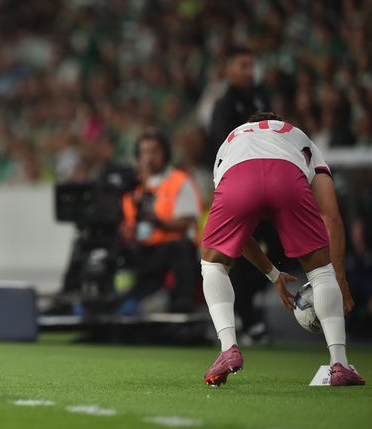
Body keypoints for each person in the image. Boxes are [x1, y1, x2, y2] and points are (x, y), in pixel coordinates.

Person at [201, 112, 364, 387]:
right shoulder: (298, 136)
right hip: (287, 177)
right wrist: (339, 277)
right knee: (321, 273)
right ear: (279, 122)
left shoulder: (231, 141)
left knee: (213, 263)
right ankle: (340, 363)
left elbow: (236, 237)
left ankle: (228, 348)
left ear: (250, 124)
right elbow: (331, 216)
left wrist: (272, 274)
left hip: (238, 176)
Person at [209, 46, 279, 345]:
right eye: (243, 65)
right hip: (241, 189)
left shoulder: (262, 97)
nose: (250, 71)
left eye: (252, 65)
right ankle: (246, 318)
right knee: (242, 252)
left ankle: (247, 312)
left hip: (269, 186)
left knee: (275, 248)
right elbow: (223, 147)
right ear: (228, 70)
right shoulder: (224, 106)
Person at [119, 129, 203, 314]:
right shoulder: (131, 186)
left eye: (154, 151)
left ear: (165, 153)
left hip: (169, 248)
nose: (149, 157)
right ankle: (113, 301)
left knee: (181, 247)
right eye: (144, 152)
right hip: (142, 249)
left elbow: (186, 222)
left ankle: (182, 304)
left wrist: (158, 223)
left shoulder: (179, 180)